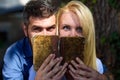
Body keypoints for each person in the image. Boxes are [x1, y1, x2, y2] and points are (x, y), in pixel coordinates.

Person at [2, 0, 68, 80]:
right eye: (37, 29)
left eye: (50, 28)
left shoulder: (66, 48)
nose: (45, 36)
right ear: (25, 30)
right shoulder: (14, 54)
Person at [57, 0, 112, 80]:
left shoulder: (96, 65)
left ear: (87, 34)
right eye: (66, 27)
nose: (73, 35)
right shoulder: (43, 68)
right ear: (57, 31)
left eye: (79, 29)